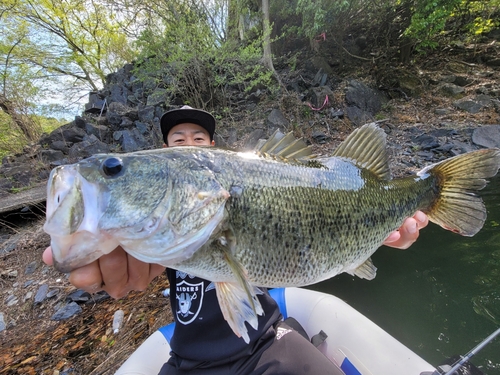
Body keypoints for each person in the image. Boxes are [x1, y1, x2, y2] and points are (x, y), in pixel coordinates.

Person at [43, 106, 429, 374]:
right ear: (165, 153)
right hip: (188, 359)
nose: (190, 142)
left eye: (112, 169)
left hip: (265, 343)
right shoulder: (160, 245)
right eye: (178, 139)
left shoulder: (232, 190)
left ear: (212, 151)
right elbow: (150, 252)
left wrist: (375, 235)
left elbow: (326, 226)